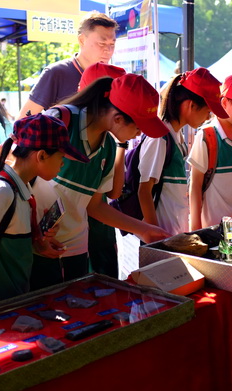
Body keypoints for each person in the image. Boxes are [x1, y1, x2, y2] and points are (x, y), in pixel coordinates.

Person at [31, 74, 171, 287]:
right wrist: (35, 235)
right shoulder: (59, 120)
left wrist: (143, 229)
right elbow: (21, 173)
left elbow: (95, 206)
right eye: (138, 128)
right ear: (118, 119)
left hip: (76, 248)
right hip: (37, 245)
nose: (138, 135)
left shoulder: (109, 147)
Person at [0, 114, 89, 305]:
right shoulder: (2, 192)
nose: (63, 164)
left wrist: (38, 242)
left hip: (15, 300)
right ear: (41, 155)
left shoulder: (22, 187)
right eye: (61, 157)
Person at [138, 67, 229, 235]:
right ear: (191, 105)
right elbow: (144, 192)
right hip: (160, 238)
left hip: (173, 234)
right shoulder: (160, 138)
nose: (208, 118)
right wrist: (155, 237)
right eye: (208, 111)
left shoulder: (176, 136)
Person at [187, 73, 232, 230]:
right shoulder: (206, 136)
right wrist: (196, 228)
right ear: (224, 102)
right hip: (214, 227)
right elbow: (195, 185)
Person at [77, 62, 127, 278]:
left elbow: (114, 192)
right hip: (72, 236)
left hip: (100, 228)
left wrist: (121, 145)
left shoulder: (108, 142)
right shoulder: (65, 126)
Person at [18, 11, 118, 117]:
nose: (108, 50)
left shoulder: (116, 78)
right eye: (102, 43)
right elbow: (23, 121)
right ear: (82, 40)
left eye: (112, 44)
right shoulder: (56, 73)